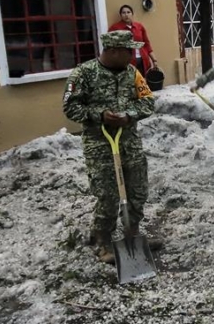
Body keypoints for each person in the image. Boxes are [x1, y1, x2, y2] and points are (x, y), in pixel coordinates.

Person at [62, 31, 161, 264]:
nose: (133, 55)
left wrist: (129, 115)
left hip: (129, 141)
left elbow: (148, 102)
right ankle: (103, 240)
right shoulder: (83, 73)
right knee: (107, 195)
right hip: (99, 144)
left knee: (138, 191)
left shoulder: (132, 73)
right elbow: (70, 107)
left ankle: (132, 233)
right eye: (129, 51)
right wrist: (100, 116)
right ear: (113, 51)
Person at [108, 5, 159, 76]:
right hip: (126, 62)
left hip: (142, 60)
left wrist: (154, 60)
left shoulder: (139, 27)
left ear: (132, 14)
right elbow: (110, 46)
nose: (126, 15)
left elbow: (147, 44)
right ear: (120, 15)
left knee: (142, 82)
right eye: (123, 13)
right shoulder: (115, 28)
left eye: (128, 12)